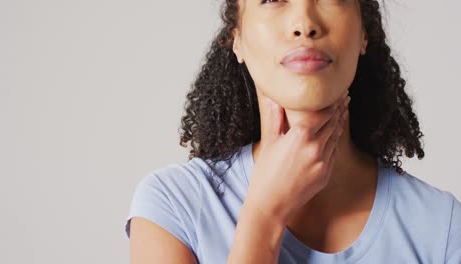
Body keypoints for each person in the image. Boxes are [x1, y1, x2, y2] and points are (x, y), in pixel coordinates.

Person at [125, 0, 461, 263]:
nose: (305, 24)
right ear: (236, 38)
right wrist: (264, 214)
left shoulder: (443, 228)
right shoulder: (173, 207)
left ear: (364, 33)